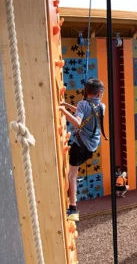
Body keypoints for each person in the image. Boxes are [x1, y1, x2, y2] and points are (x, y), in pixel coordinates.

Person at [59, 79, 107, 221]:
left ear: (87, 92)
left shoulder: (83, 104)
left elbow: (78, 122)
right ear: (99, 93)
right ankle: (72, 203)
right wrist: (67, 106)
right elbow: (85, 112)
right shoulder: (102, 106)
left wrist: (62, 110)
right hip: (91, 147)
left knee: (72, 176)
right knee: (74, 172)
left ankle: (73, 208)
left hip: (80, 146)